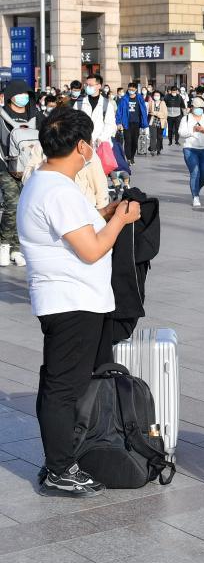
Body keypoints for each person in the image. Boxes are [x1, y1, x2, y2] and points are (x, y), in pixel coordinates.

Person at [17, 108, 141, 496]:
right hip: (70, 302)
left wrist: (107, 212)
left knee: (61, 383)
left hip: (71, 300)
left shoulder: (49, 182)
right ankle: (59, 468)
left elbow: (80, 227)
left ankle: (64, 459)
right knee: (62, 388)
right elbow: (91, 249)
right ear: (82, 146)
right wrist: (120, 221)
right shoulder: (57, 190)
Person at [0, 79, 44, 267]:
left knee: (24, 209)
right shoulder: (2, 115)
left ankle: (17, 248)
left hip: (30, 168)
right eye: (20, 94)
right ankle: (3, 245)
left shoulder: (35, 115)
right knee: (12, 206)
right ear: (10, 96)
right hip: (5, 167)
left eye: (27, 95)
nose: (24, 97)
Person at [178, 97, 204, 208]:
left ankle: (195, 189)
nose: (198, 109)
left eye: (200, 107)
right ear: (192, 107)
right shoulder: (186, 119)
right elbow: (181, 132)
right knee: (195, 172)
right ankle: (195, 196)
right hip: (190, 149)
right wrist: (192, 130)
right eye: (196, 107)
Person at [115, 83, 149, 165]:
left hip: (137, 123)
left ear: (136, 90)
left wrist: (144, 122)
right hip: (127, 123)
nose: (131, 91)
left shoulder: (139, 98)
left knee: (134, 141)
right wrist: (119, 122)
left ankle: (132, 157)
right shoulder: (124, 99)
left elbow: (144, 111)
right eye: (130, 89)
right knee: (128, 141)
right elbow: (119, 111)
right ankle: (128, 158)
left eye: (133, 90)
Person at [146, 89, 167, 156]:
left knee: (159, 137)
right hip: (152, 121)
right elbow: (149, 112)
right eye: (155, 95)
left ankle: (159, 149)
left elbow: (165, 114)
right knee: (153, 136)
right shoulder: (151, 102)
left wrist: (155, 113)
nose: (156, 96)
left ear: (160, 96)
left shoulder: (163, 103)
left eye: (158, 95)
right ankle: (152, 149)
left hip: (161, 122)